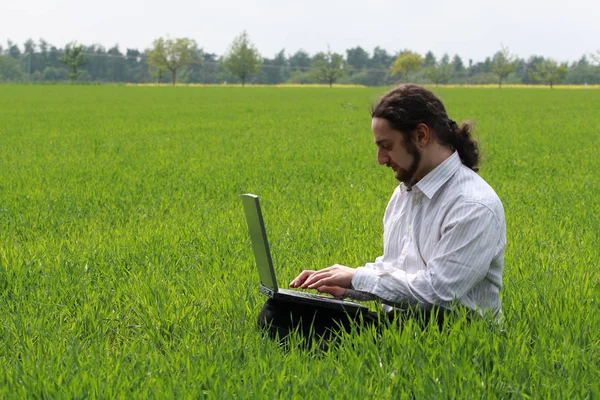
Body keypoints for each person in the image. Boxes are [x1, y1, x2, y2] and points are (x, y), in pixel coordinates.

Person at [259, 84, 506, 344]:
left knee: (289, 325)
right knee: (280, 312)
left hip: (454, 337)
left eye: (386, 146)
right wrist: (348, 286)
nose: (380, 159)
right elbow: (395, 268)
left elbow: (438, 292)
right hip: (401, 327)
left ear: (421, 135)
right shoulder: (405, 193)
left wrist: (358, 278)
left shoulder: (473, 205)